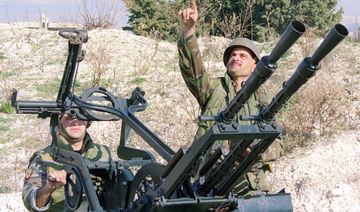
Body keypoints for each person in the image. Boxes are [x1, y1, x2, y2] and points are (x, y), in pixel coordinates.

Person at [178, 0, 283, 195]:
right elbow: (192, 69)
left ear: (255, 65)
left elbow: (278, 144)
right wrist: (188, 31)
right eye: (233, 54)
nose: (236, 58)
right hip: (210, 182)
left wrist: (256, 152)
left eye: (243, 55)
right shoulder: (213, 89)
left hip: (250, 184)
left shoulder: (263, 99)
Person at [22, 114, 112, 211]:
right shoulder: (44, 158)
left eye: (80, 117)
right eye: (69, 117)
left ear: (87, 123)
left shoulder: (104, 154)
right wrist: (49, 188)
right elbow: (31, 203)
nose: (75, 122)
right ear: (58, 126)